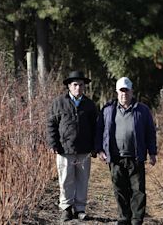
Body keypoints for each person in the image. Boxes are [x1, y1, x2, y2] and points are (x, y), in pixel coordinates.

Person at [95, 77, 157, 225]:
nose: (124, 94)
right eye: (121, 91)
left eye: (126, 91)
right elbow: (99, 130)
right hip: (115, 157)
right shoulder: (108, 109)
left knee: (138, 190)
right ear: (117, 92)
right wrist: (99, 149)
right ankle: (124, 218)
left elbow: (150, 132)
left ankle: (136, 219)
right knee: (120, 189)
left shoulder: (142, 110)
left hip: (136, 156)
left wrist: (152, 153)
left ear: (132, 91)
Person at [47, 70, 98, 222]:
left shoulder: (89, 105)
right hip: (64, 149)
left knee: (82, 180)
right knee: (65, 179)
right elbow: (51, 124)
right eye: (75, 85)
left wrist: (95, 146)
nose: (78, 88)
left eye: (81, 85)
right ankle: (66, 208)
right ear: (69, 86)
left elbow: (96, 127)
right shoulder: (58, 103)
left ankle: (80, 209)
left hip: (84, 150)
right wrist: (53, 143)